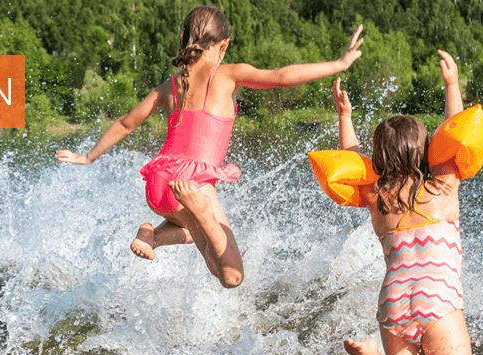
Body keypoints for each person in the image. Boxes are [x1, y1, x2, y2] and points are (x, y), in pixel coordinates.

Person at [56, 5, 365, 289]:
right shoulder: (227, 75)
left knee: (191, 232)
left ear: (183, 39)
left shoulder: (170, 85)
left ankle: (152, 234)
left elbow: (126, 123)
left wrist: (87, 156)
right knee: (231, 276)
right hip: (192, 185)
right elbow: (281, 77)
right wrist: (340, 63)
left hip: (158, 183)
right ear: (224, 45)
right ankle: (197, 218)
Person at [336, 50, 475, 355]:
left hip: (393, 301)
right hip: (436, 297)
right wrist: (451, 84)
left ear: (379, 159)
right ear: (425, 151)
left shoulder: (375, 199)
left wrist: (344, 116)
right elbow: (456, 129)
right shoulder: (442, 187)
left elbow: (353, 162)